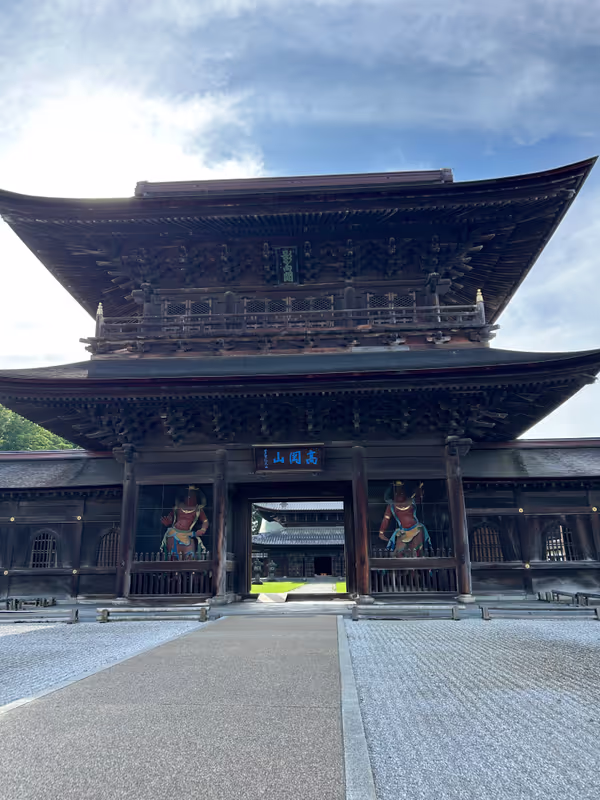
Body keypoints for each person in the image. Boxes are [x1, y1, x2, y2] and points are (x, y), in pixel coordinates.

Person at [378, 480, 431, 555]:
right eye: (397, 489)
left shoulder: (412, 501)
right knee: (399, 553)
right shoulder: (391, 506)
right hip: (402, 532)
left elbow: (420, 497)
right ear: (394, 492)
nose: (400, 492)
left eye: (401, 489)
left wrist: (419, 489)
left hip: (417, 529)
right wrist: (381, 532)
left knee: (417, 552)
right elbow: (386, 519)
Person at [160, 486, 209, 559]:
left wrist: (202, 530)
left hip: (188, 534)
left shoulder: (198, 510)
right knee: (173, 554)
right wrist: (167, 522)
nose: (189, 498)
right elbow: (170, 518)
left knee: (189, 555)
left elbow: (205, 521)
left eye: (192, 495)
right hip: (174, 532)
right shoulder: (178, 507)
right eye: (188, 495)